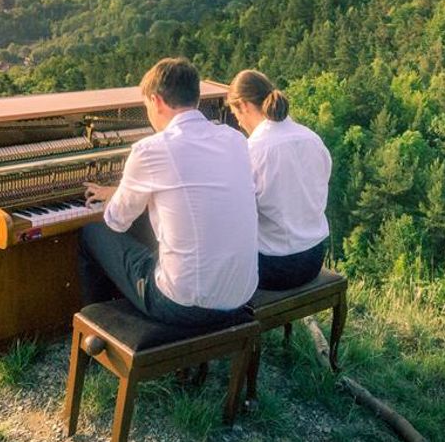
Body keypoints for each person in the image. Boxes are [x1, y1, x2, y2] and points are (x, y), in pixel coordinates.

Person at [78, 58, 259, 326]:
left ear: (157, 100)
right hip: (241, 295)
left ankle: (100, 328)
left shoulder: (150, 150)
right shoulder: (235, 139)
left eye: (146, 106)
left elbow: (117, 220)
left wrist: (124, 194)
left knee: (93, 233)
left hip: (183, 305)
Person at [228, 70, 331, 290]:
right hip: (315, 257)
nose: (239, 123)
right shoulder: (312, 139)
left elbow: (238, 214)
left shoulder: (252, 150)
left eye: (235, 115)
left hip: (274, 268)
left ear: (243, 105)